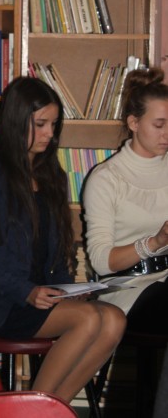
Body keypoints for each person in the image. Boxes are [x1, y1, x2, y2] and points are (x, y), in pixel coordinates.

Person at [0, 76, 126, 403]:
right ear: (16, 122)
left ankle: (51, 407)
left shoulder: (51, 176)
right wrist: (26, 291)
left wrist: (69, 289)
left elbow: (58, 249)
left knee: (114, 320)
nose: (50, 133)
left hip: (38, 295)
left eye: (53, 124)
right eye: (40, 124)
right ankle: (36, 408)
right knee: (89, 319)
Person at [83, 66, 168, 327]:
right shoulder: (106, 179)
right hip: (127, 290)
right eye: (159, 125)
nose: (166, 133)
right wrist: (155, 242)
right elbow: (101, 261)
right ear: (133, 123)